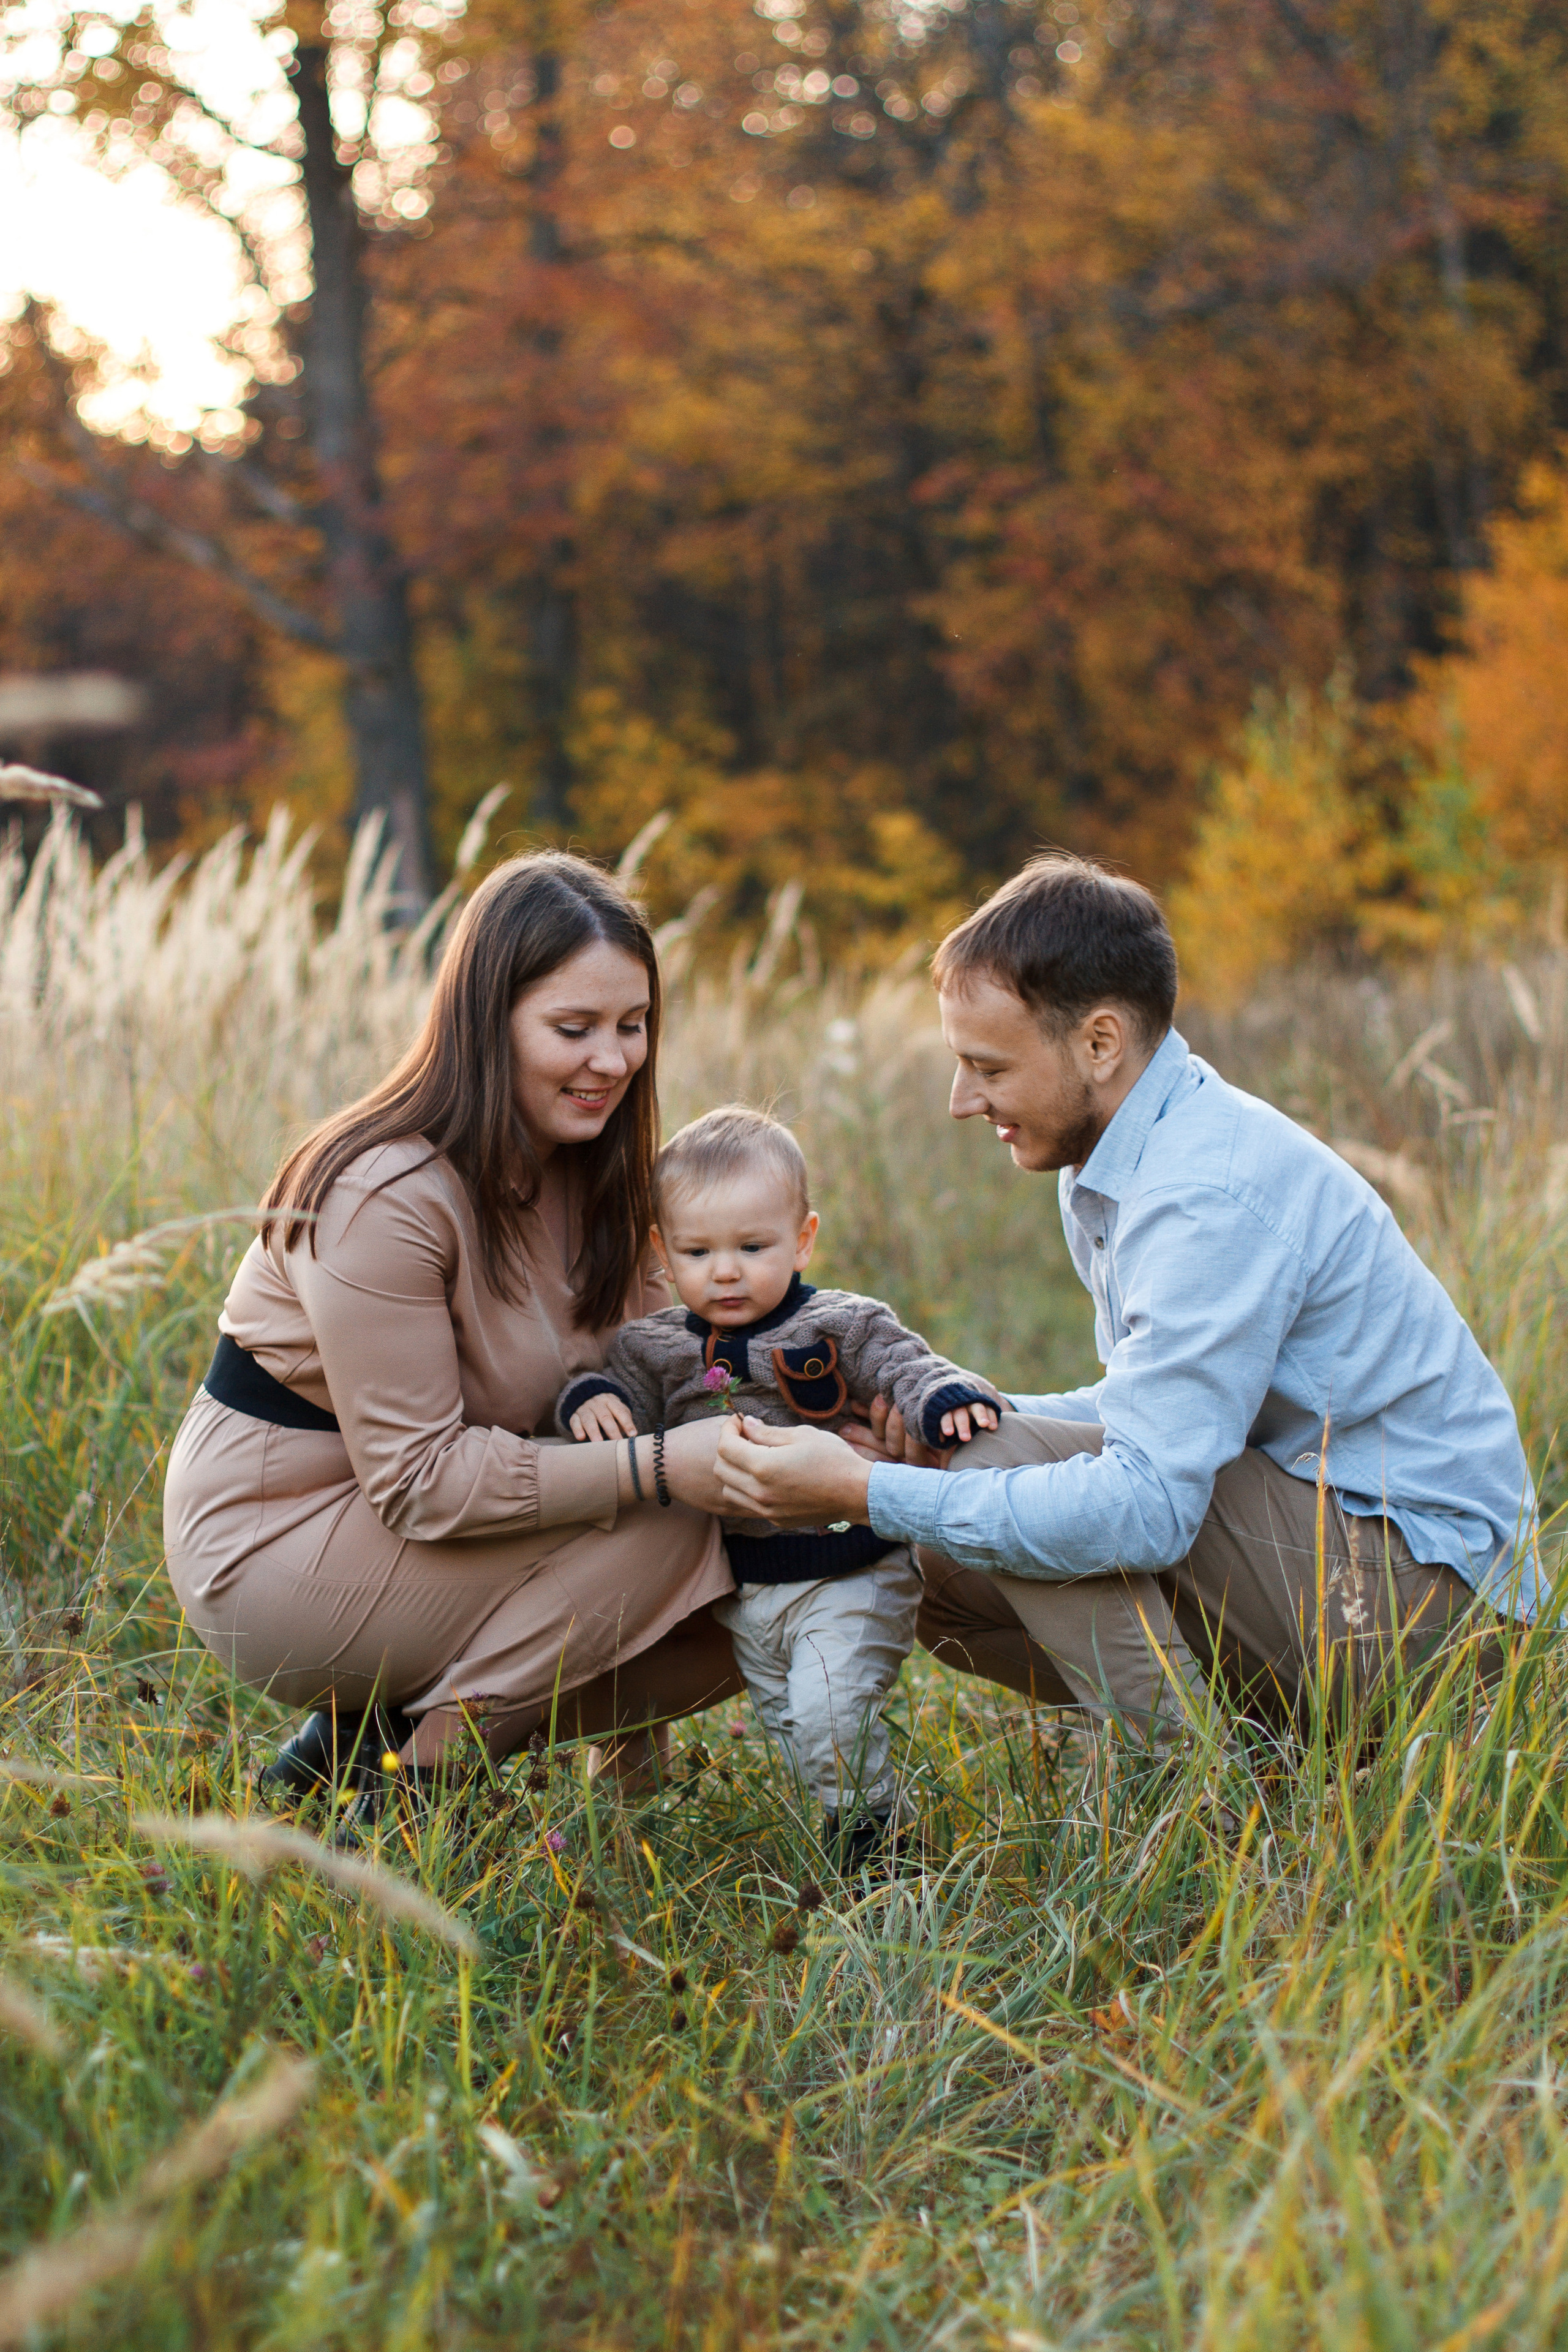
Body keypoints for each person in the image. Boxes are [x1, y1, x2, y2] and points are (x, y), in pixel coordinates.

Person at [716, 855, 1540, 1744]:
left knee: (987, 1470)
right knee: (946, 1551)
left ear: (1100, 1044)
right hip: (1336, 1554)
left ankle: (1193, 1784)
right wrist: (947, 1424)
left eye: (987, 1066)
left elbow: (1145, 1508)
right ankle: (1269, 1751)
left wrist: (866, 1489)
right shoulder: (1113, 1160)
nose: (961, 1100)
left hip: (1441, 1610)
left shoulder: (1203, 1194)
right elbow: (1145, 1410)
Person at [163, 851, 743, 1808]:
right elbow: (421, 1482)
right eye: (574, 1029)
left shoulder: (598, 1171)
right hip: (278, 1546)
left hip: (447, 1514)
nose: (613, 1061)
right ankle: (418, 1788)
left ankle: (383, 1746)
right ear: (486, 1023)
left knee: (758, 1558)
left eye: (633, 1025)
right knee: (678, 1516)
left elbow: (669, 1382)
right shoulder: (380, 1191)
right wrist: (663, 1468)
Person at [553, 1104, 1001, 1863]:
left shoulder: (838, 1323)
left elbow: (904, 1363)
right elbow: (619, 1397)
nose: (725, 1271)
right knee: (800, 1731)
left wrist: (940, 1397)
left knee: (831, 1715)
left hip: (851, 1568)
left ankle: (877, 1857)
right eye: (698, 1251)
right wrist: (587, 1399)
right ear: (662, 1253)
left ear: (802, 1240)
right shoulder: (654, 1347)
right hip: (749, 1591)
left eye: (752, 1247)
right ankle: (875, 1827)